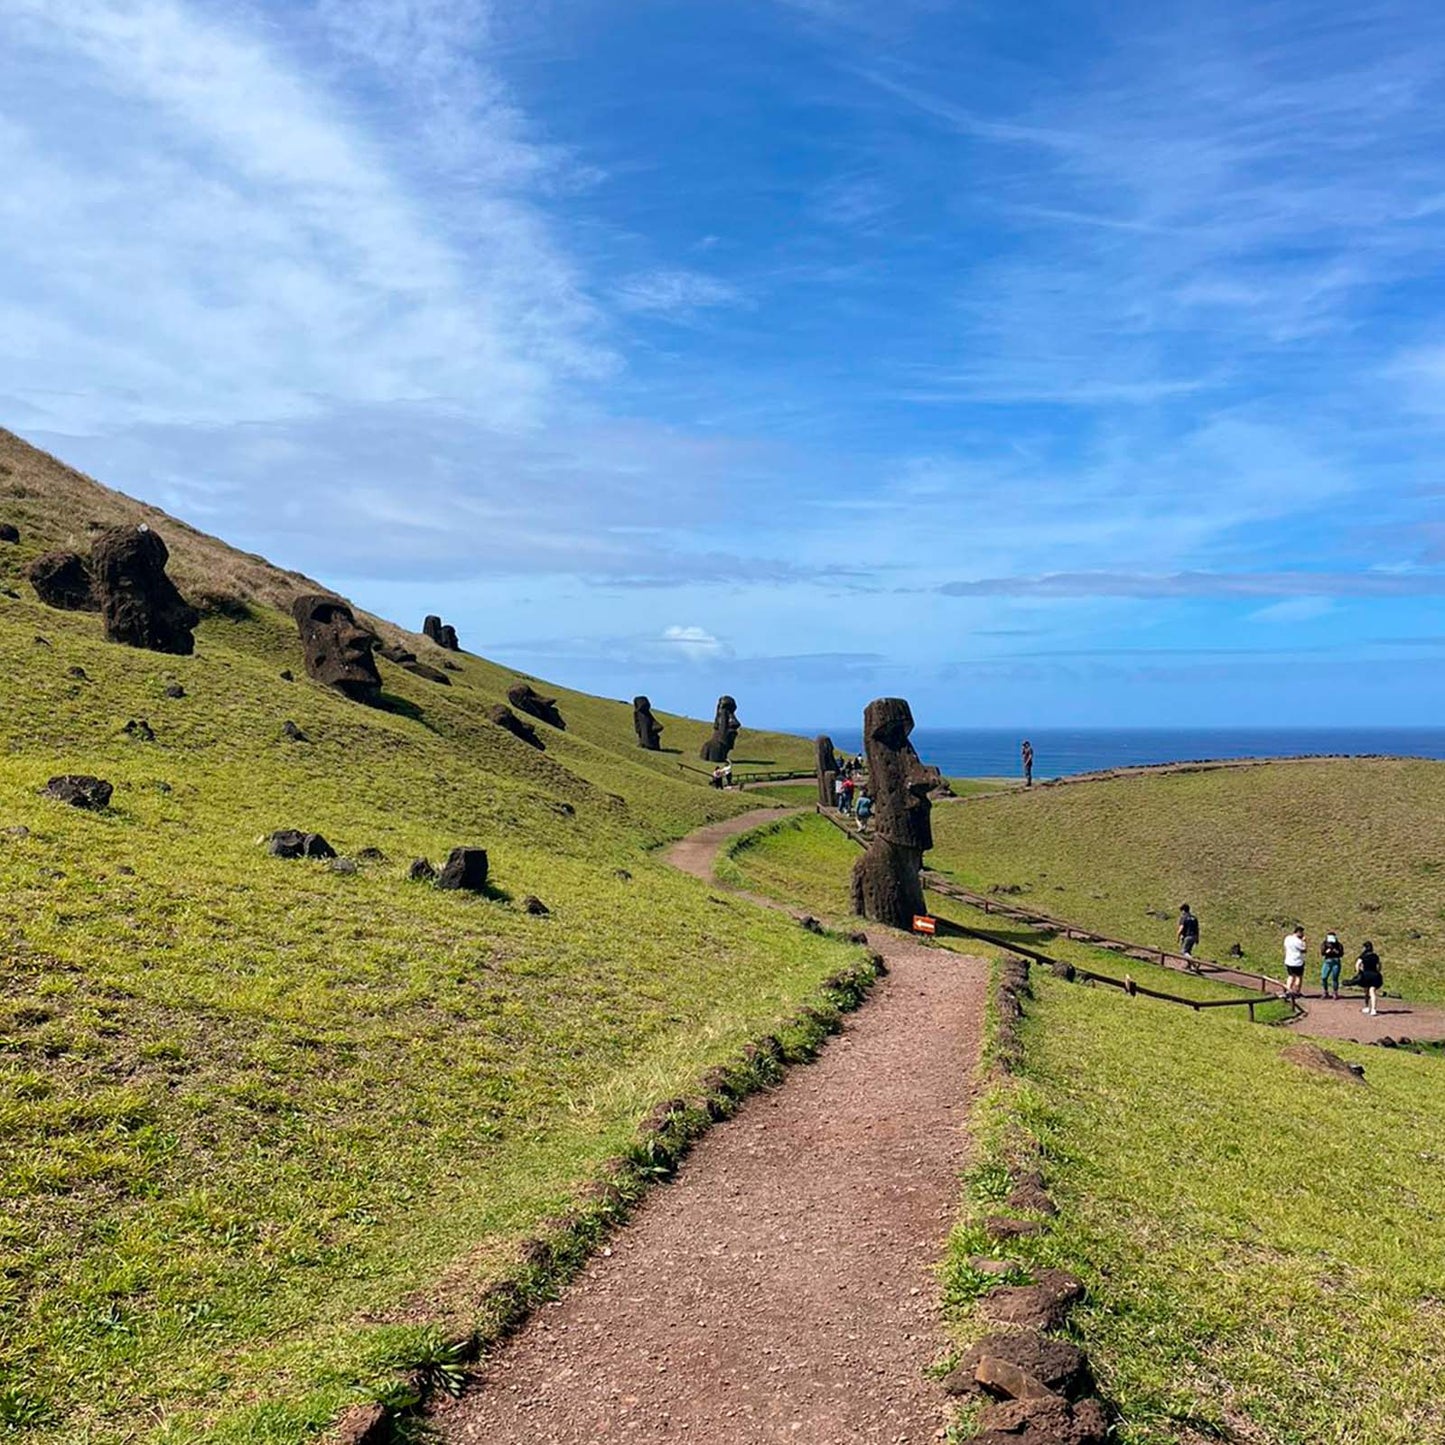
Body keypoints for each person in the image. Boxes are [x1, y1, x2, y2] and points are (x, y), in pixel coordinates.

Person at [1348, 941, 1384, 1017]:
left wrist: (1359, 972)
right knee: (1372, 991)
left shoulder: (1363, 956)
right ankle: (1373, 1009)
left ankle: (1367, 1007)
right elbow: (1379, 965)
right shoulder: (1375, 956)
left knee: (1366, 991)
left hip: (1366, 975)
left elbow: (1357, 964)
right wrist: (1378, 972)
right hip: (1375, 975)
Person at [1283, 925, 1307, 997]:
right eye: (1302, 932)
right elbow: (1304, 950)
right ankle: (1297, 992)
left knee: (1290, 976)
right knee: (1298, 977)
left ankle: (1288, 991)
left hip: (1288, 961)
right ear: (1298, 932)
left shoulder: (1287, 938)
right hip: (1298, 962)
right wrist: (1304, 941)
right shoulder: (1298, 942)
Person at [1320, 931, 1345, 1000]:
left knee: (1335, 978)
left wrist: (1336, 951)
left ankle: (1335, 992)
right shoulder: (1324, 944)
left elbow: (1341, 954)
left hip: (1336, 962)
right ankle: (1325, 991)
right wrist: (1326, 951)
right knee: (1324, 977)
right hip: (1327, 962)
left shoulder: (1338, 945)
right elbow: (1322, 952)